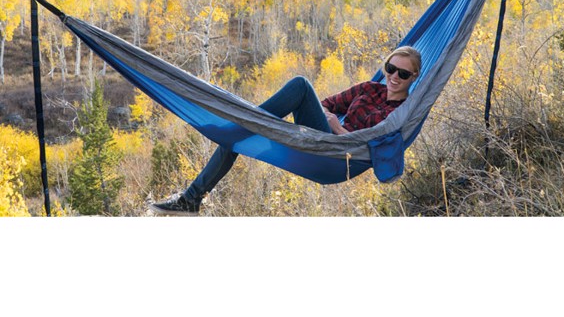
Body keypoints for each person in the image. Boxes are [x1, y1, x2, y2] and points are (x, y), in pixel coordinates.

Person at [149, 45, 421, 216]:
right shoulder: (368, 88)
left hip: (338, 156)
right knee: (236, 138)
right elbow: (327, 104)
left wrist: (339, 130)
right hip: (322, 137)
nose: (394, 76)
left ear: (414, 78)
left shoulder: (402, 112)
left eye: (403, 74)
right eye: (390, 68)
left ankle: (244, 122)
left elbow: (374, 143)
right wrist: (330, 120)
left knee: (300, 86)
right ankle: (191, 199)